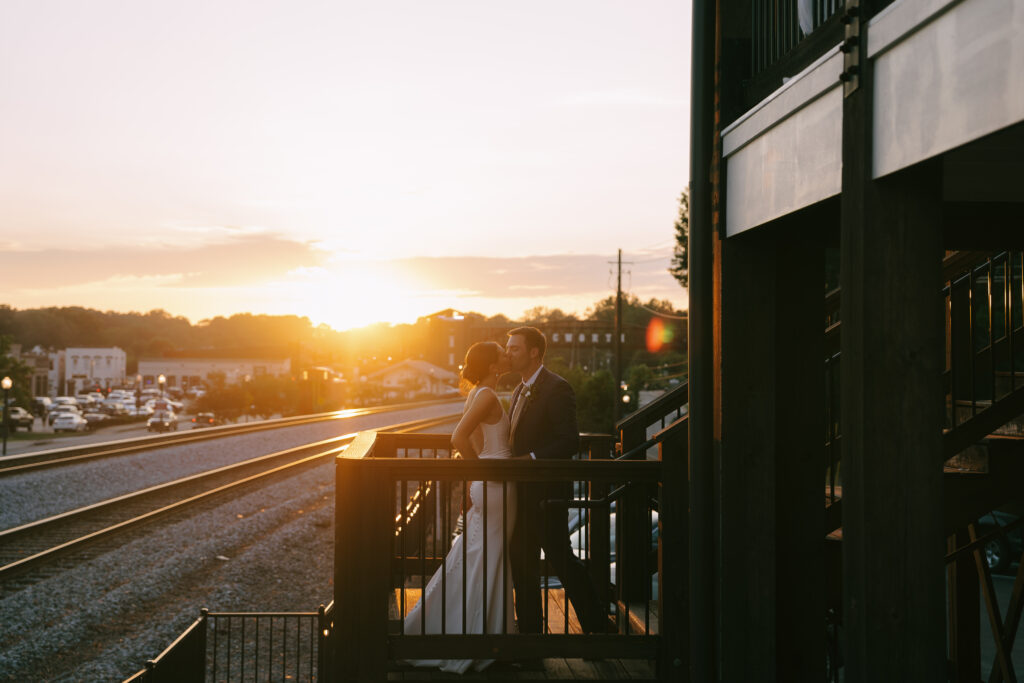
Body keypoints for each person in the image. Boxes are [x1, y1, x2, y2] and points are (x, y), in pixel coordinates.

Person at [403, 341, 518, 674]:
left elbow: (478, 443)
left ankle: (477, 632)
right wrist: (480, 471)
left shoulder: (480, 394)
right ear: (493, 365)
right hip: (495, 482)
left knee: (480, 556)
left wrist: (478, 471)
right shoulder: (486, 395)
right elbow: (458, 438)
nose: (508, 355)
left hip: (491, 481)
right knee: (490, 557)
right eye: (502, 353)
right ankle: (483, 638)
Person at [505, 326, 610, 635]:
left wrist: (530, 459)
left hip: (546, 493)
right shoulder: (518, 389)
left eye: (514, 348)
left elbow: (569, 441)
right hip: (520, 494)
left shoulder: (557, 387)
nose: (508, 353)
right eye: (508, 348)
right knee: (522, 563)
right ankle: (530, 635)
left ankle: (598, 628)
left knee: (561, 560)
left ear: (534, 351)